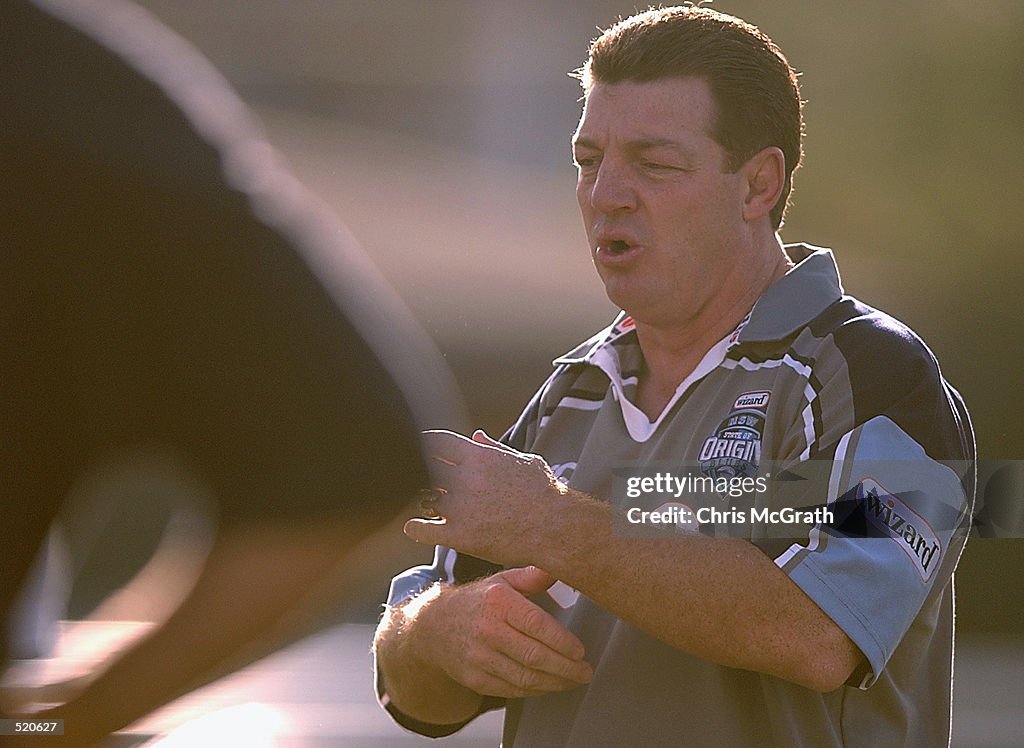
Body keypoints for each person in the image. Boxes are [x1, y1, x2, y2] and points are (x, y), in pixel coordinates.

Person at [373, 6, 975, 746]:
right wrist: (435, 633)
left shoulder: (880, 375)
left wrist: (558, 526)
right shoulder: (569, 392)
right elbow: (415, 694)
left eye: (654, 163)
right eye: (588, 160)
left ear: (758, 186)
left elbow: (821, 633)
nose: (607, 195)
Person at [1, 0, 462, 742]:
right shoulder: (61, 92)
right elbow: (352, 457)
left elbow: (351, 455)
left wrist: (59, 720)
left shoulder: (51, 99)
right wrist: (62, 722)